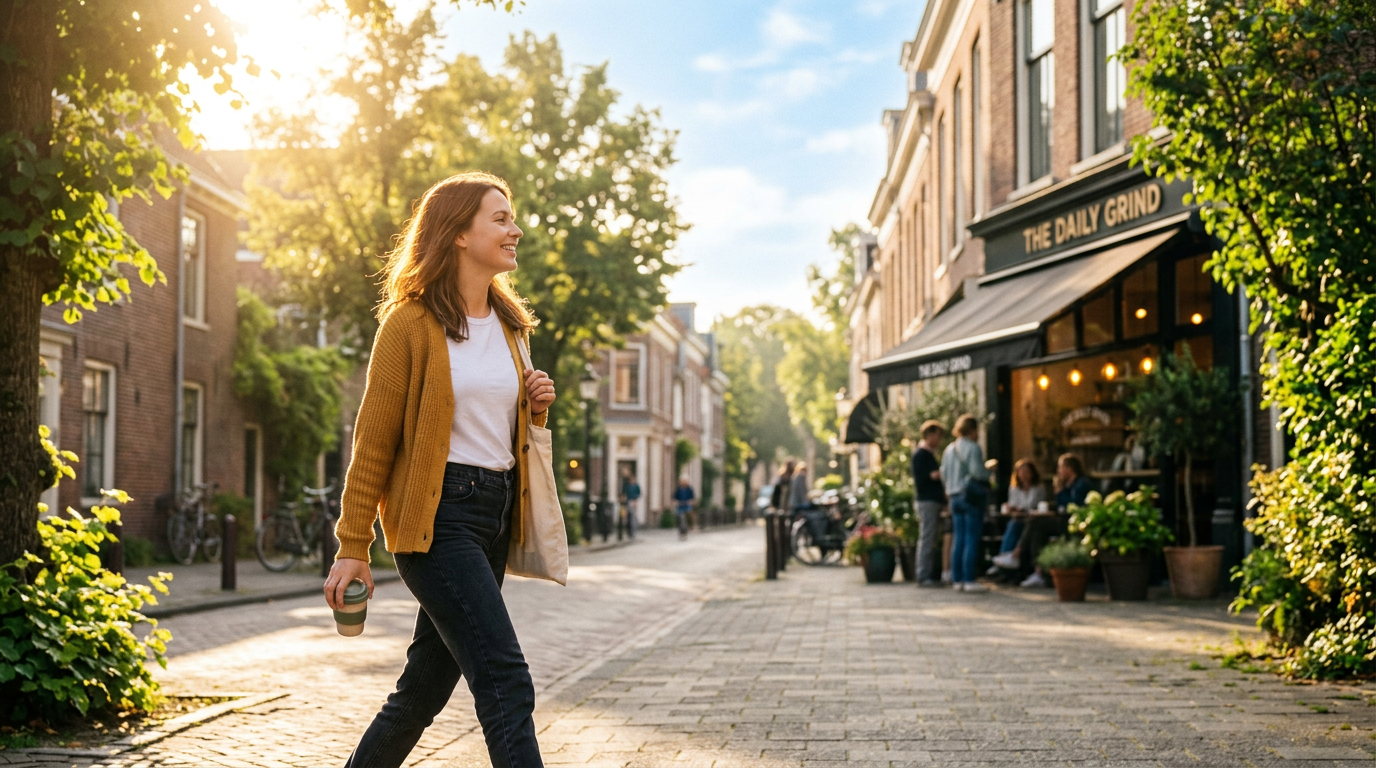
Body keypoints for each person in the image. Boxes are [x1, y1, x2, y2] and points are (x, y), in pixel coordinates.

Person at [324, 172, 556, 768]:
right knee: (506, 678)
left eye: (513, 217)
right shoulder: (408, 324)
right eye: (500, 218)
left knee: (422, 691)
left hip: (493, 514)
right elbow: (373, 442)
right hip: (437, 519)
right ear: (457, 233)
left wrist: (536, 407)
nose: (515, 229)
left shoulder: (511, 326)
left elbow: (498, 431)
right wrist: (353, 544)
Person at [1018, 453, 1092, 588]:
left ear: (1069, 469)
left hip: (1073, 524)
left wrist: (1059, 491)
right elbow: (1061, 506)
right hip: (1064, 520)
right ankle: (1039, 572)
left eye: (1060, 467)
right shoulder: (1068, 484)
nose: (1058, 471)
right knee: (1037, 532)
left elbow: (1072, 506)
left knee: (1036, 523)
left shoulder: (1081, 484)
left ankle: (1017, 553)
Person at [940, 414, 991, 593]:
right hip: (970, 496)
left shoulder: (949, 449)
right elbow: (977, 472)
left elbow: (943, 473)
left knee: (959, 537)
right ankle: (969, 578)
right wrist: (989, 471)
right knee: (971, 537)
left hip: (954, 496)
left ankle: (957, 579)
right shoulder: (973, 448)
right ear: (973, 430)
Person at [990, 459, 1047, 572]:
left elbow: (1038, 506)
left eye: (1026, 471)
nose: (1023, 474)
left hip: (1033, 520)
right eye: (1021, 471)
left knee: (1019, 526)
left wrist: (1022, 509)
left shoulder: (1039, 488)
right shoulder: (1014, 489)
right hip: (1019, 519)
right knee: (1013, 525)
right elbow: (1012, 504)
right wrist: (1011, 508)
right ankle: (1004, 558)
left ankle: (1007, 559)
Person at [910, 420, 946, 586]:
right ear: (929, 435)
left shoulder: (926, 454)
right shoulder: (922, 455)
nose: (939, 440)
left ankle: (925, 574)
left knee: (929, 537)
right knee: (927, 537)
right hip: (927, 501)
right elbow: (931, 476)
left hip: (930, 500)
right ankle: (923, 575)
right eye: (938, 436)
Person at [619, 469, 641, 539]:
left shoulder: (636, 486)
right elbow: (624, 493)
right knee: (626, 517)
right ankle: (627, 531)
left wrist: (635, 499)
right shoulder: (627, 485)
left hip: (633, 502)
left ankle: (632, 532)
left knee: (632, 517)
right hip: (627, 503)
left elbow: (639, 493)